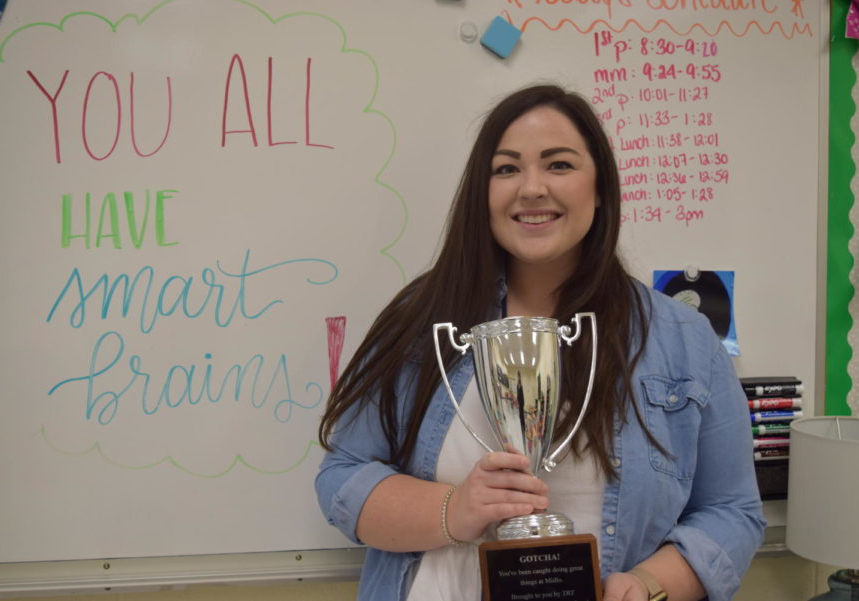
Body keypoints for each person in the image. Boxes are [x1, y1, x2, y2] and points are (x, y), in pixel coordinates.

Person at [315, 83, 765, 601]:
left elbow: (733, 511)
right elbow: (341, 478)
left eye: (559, 165)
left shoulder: (684, 340)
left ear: (600, 187)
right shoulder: (421, 319)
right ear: (481, 193)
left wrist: (647, 586)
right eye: (506, 169)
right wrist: (453, 510)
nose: (531, 188)